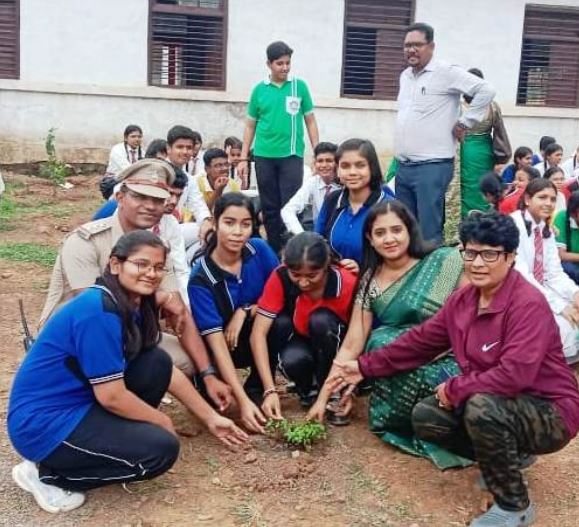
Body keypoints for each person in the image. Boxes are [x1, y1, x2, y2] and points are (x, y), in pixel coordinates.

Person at [329, 211, 579, 527]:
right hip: (503, 402)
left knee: (480, 406)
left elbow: (514, 375)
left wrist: (454, 388)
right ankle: (510, 457)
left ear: (511, 257)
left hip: (550, 410)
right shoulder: (463, 301)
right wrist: (364, 367)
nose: (477, 263)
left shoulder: (526, 304)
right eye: (470, 253)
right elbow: (419, 342)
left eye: (490, 254)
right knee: (427, 417)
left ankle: (514, 505)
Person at [8, 231, 247, 514]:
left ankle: (110, 441)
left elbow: (167, 372)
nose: (151, 273)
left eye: (158, 267)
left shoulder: (131, 302)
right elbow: (111, 396)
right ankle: (46, 474)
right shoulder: (97, 311)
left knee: (155, 362)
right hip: (43, 424)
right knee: (159, 451)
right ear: (115, 264)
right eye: (141, 264)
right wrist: (161, 421)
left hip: (80, 403)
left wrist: (210, 417)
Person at [38, 159, 233, 410]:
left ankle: (136, 408)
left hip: (127, 333)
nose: (150, 206)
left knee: (185, 357)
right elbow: (93, 312)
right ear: (120, 197)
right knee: (141, 359)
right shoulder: (85, 240)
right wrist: (157, 298)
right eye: (140, 197)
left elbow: (179, 311)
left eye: (157, 200)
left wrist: (208, 374)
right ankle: (101, 405)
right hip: (75, 339)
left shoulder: (156, 248)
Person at [309, 201, 468, 468]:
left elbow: (468, 320)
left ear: (409, 231)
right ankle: (411, 421)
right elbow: (351, 345)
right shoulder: (370, 282)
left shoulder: (444, 262)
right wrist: (323, 398)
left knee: (386, 342)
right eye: (380, 233)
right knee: (380, 340)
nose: (389, 239)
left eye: (396, 230)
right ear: (370, 239)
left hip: (449, 358)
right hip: (397, 363)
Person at [394, 22, 495, 242]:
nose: (411, 50)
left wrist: (465, 122)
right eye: (407, 45)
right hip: (404, 166)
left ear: (431, 46)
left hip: (431, 166)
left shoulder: (445, 72)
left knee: (428, 231)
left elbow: (486, 90)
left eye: (417, 45)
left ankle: (432, 264)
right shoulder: (405, 76)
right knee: (404, 228)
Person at [188, 194, 279, 432]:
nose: (238, 232)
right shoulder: (201, 278)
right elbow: (216, 342)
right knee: (221, 402)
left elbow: (280, 293)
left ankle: (257, 387)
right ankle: (215, 383)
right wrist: (241, 402)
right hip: (219, 347)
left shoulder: (258, 249)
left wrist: (246, 310)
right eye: (229, 223)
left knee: (280, 322)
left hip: (252, 335)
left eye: (245, 224)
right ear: (215, 223)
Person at [251, 232, 357, 421]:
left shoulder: (347, 282)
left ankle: (337, 392)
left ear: (326, 266)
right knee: (289, 351)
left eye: (312, 275)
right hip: (304, 338)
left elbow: (358, 336)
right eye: (295, 275)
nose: (303, 282)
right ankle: (309, 388)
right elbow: (258, 334)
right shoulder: (281, 276)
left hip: (340, 346)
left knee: (320, 320)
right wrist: (269, 389)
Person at [238, 41, 320, 253]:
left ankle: (292, 251)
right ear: (269, 64)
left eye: (287, 63)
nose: (284, 68)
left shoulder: (299, 87)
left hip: (291, 155)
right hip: (264, 156)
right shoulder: (259, 90)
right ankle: (275, 252)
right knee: (270, 208)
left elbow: (310, 121)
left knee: (290, 206)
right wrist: (243, 158)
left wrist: (317, 152)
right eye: (279, 63)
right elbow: (250, 125)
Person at [511, 178, 579, 364]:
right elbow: (522, 277)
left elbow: (553, 273)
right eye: (542, 197)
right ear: (527, 199)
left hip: (541, 289)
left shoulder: (544, 228)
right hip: (517, 293)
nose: (549, 203)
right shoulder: (514, 225)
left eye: (552, 199)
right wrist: (560, 306)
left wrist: (574, 294)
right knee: (565, 327)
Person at [315, 139, 394, 268]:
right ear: (337, 170)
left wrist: (363, 270)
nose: (352, 172)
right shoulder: (333, 200)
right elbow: (317, 242)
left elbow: (397, 258)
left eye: (360, 165)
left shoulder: (389, 207)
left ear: (372, 168)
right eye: (345, 166)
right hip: (337, 276)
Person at [459, 68, 511, 217]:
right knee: (482, 184)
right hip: (483, 151)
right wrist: (502, 157)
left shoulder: (457, 106)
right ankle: (482, 217)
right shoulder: (492, 106)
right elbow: (500, 134)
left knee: (466, 185)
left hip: (465, 150)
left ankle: (466, 218)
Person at [166, 126, 212, 257]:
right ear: (168, 148)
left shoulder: (189, 180)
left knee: (208, 233)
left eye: (189, 148)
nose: (185, 152)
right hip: (151, 230)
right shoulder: (157, 172)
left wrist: (206, 221)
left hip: (174, 229)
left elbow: (198, 205)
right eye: (180, 147)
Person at [281, 142, 340, 235]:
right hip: (318, 234)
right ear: (315, 163)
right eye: (320, 161)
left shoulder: (344, 184)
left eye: (329, 161)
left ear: (337, 163)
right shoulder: (313, 182)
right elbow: (288, 210)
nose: (324, 165)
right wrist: (302, 236)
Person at [554, 191, 579, 284]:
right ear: (573, 214)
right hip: (571, 265)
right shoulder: (562, 217)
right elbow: (561, 255)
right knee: (568, 268)